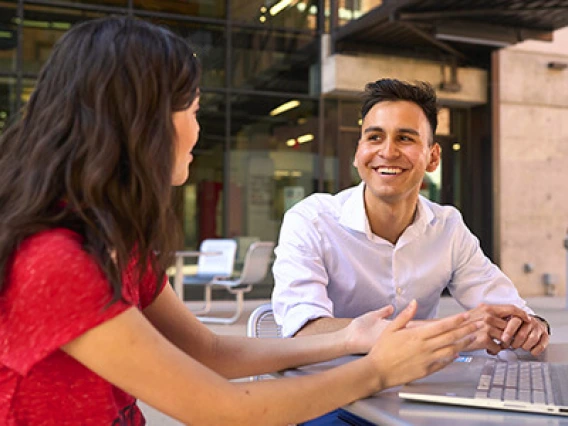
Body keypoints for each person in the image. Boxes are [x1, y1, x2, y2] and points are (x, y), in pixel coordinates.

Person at [0, 18, 479, 425]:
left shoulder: (116, 244)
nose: (198, 127)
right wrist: (378, 370)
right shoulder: (55, 262)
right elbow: (219, 409)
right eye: (191, 109)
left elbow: (208, 351)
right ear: (141, 122)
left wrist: (347, 339)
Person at [272, 78, 550, 357]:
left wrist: (530, 327)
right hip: (327, 384)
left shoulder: (448, 227)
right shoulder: (311, 221)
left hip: (417, 387)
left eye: (405, 138)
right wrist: (457, 331)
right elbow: (303, 329)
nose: (388, 152)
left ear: (433, 156)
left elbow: (512, 313)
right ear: (358, 153)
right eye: (374, 137)